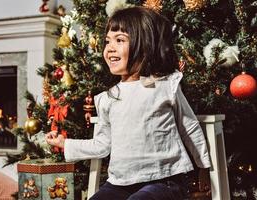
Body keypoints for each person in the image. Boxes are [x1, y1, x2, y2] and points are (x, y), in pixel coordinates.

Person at [46, 6, 211, 200]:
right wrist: (65, 144)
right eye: (108, 41)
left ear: (144, 46)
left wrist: (204, 167)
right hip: (120, 183)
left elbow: (189, 126)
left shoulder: (165, 85)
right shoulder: (108, 97)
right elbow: (102, 144)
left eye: (120, 40)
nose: (110, 48)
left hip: (165, 180)